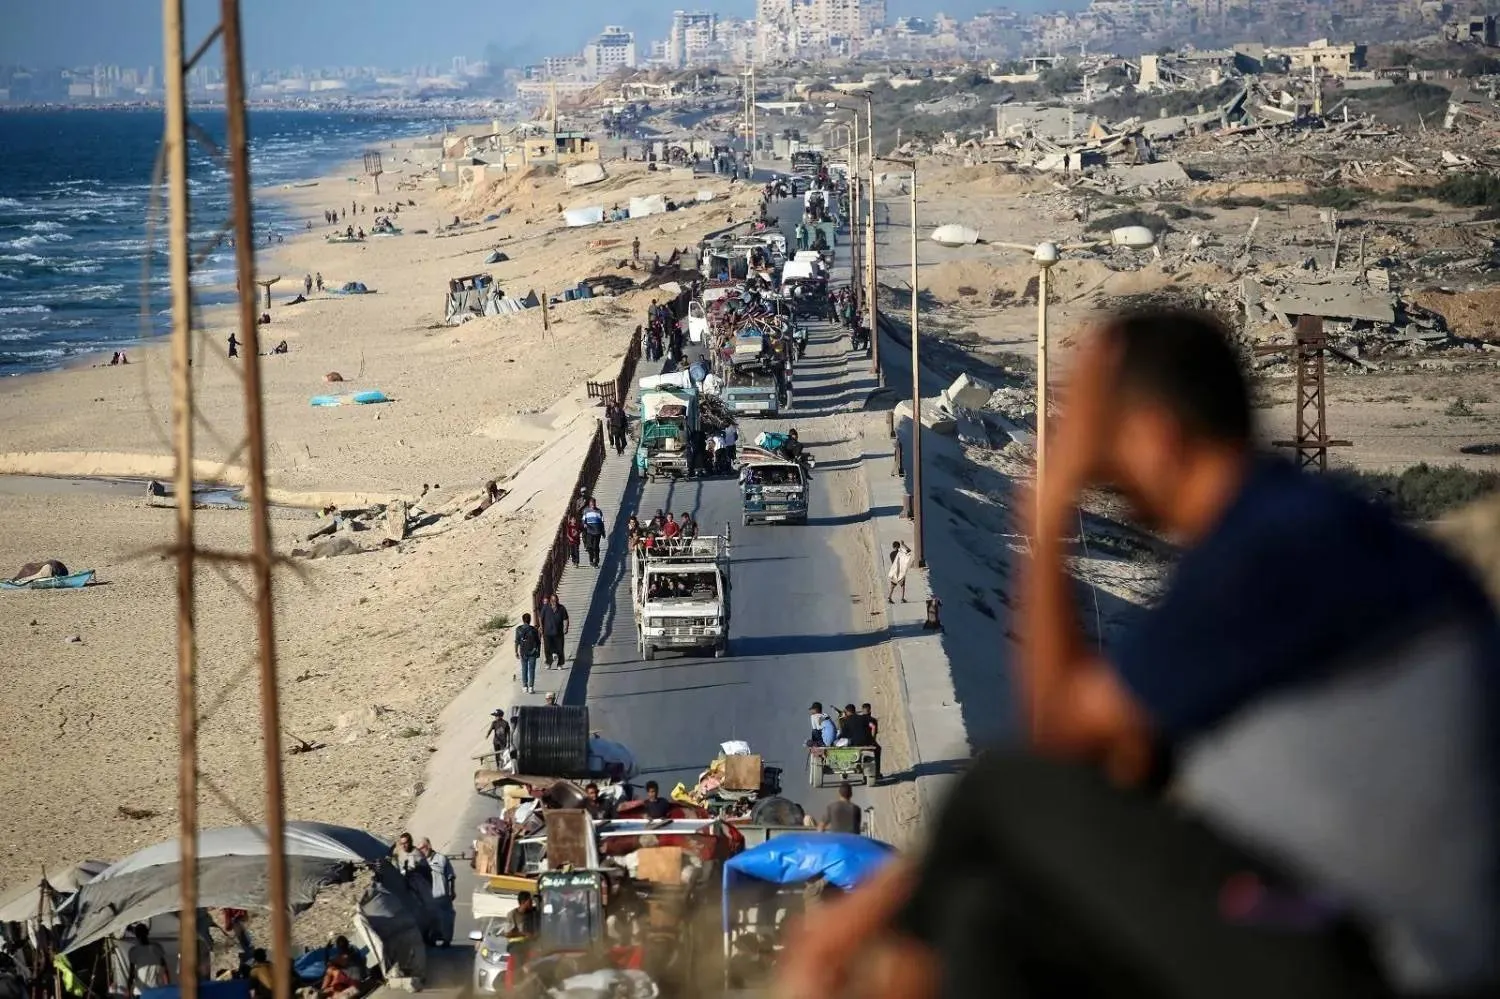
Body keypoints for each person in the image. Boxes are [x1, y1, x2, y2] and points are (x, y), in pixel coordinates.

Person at [778, 308, 1500, 999]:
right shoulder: (1316, 524)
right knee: (987, 917)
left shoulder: (1271, 551)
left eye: (1094, 428)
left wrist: (1048, 497)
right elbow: (1121, 764)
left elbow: (1059, 741)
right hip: (1335, 926)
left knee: (1002, 785)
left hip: (1372, 958)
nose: (1092, 455)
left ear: (1154, 433)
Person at [417, 838, 457, 946]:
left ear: (428, 846)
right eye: (418, 849)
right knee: (432, 918)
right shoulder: (420, 861)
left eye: (422, 848)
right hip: (429, 896)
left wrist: (452, 890)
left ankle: (446, 940)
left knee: (446, 918)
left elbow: (450, 876)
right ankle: (432, 939)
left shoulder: (441, 859)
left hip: (443, 894)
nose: (420, 851)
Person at [126, 924, 171, 993]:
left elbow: (131, 975)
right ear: (147, 933)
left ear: (136, 935)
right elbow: (165, 971)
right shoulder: (156, 947)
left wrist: (128, 991)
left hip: (142, 992)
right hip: (153, 991)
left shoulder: (134, 951)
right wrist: (167, 988)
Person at [514, 612, 541, 693]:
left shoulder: (518, 629)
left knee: (524, 669)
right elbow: (538, 642)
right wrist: (538, 652)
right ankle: (531, 687)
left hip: (523, 652)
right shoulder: (534, 629)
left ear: (523, 620)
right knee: (531, 670)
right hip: (532, 652)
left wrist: (516, 652)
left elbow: (517, 641)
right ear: (530, 620)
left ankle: (525, 686)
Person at [540, 595, 569, 670]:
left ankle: (560, 664)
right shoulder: (546, 608)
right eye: (553, 601)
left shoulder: (561, 608)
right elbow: (540, 618)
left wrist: (566, 628)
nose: (554, 602)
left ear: (558, 600)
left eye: (555, 601)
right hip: (547, 632)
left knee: (560, 648)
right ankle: (548, 663)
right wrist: (542, 627)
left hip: (558, 632)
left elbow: (565, 619)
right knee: (547, 649)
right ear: (550, 601)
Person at [581, 500, 606, 567]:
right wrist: (584, 524)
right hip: (589, 531)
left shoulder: (599, 511)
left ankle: (596, 561)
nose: (593, 505)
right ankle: (591, 560)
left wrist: (603, 532)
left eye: (594, 503)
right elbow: (583, 520)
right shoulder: (586, 511)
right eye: (591, 504)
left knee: (595, 547)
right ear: (589, 504)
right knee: (589, 547)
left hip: (597, 532)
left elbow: (602, 522)